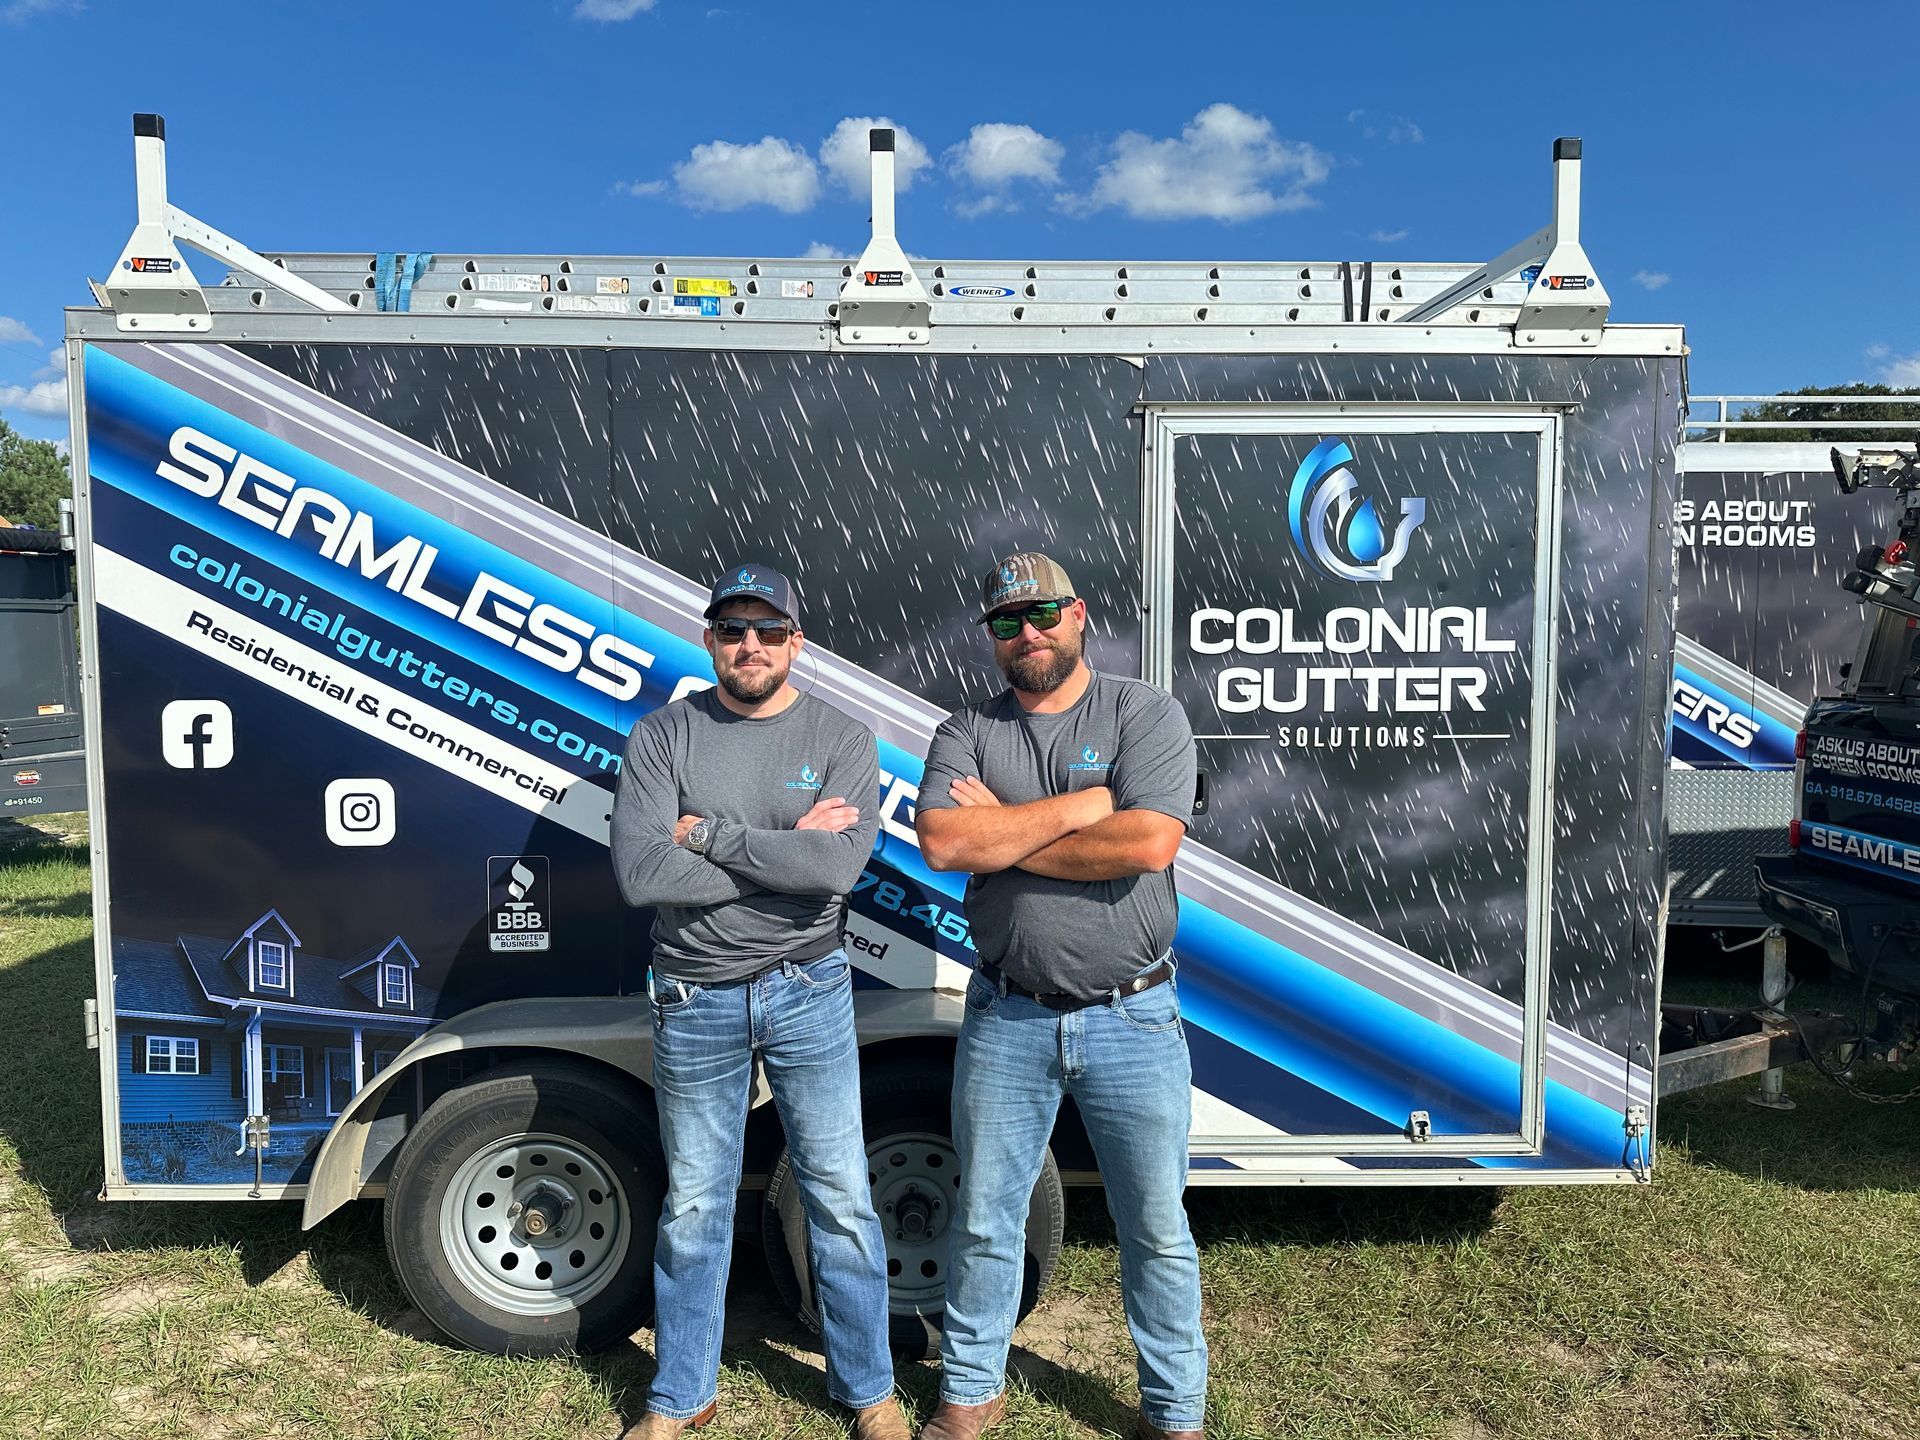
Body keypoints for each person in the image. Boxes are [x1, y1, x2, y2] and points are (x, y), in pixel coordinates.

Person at [913, 552, 1207, 1440]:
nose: (1027, 634)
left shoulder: (1143, 712)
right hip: (1008, 1014)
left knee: (1154, 1224)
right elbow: (942, 844)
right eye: (1006, 622)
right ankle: (970, 1392)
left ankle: (1174, 1410)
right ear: (993, 639)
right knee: (984, 1218)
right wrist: (1084, 808)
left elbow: (1151, 842)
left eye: (1041, 614)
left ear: (1078, 614)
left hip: (1134, 1014)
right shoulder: (964, 729)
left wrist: (1002, 830)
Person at [610, 562, 907, 1440]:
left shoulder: (843, 736)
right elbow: (641, 872)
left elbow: (835, 872)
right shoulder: (663, 737)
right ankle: (681, 1395)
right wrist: (784, 853)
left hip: (809, 988)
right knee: (697, 1202)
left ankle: (869, 1392)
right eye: (733, 629)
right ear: (708, 640)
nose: (750, 645)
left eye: (768, 630)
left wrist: (707, 835)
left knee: (842, 1197)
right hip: (693, 995)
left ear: (796, 642)